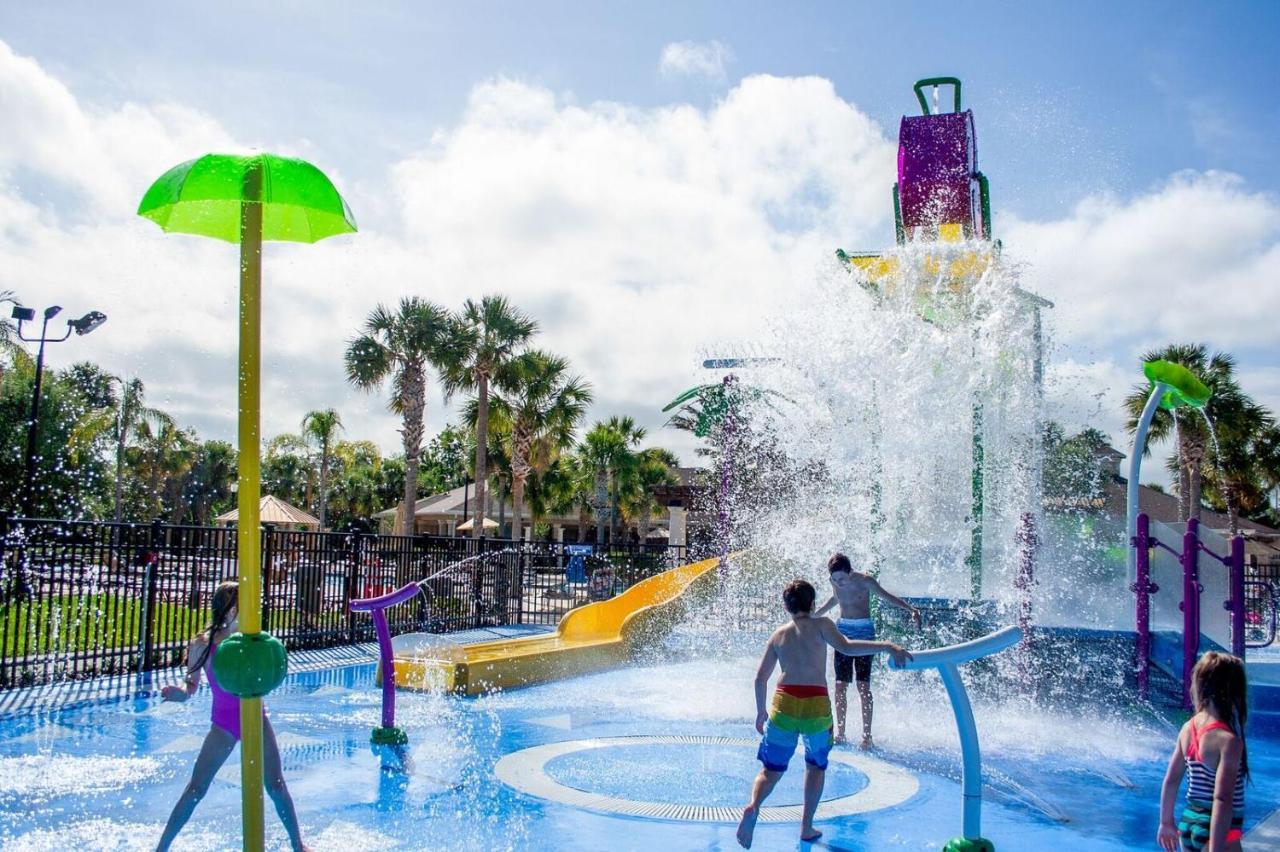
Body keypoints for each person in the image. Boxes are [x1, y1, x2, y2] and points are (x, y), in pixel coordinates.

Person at [737, 578, 911, 848]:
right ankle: (806, 827)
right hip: (815, 704)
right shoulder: (823, 626)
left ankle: (753, 806)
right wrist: (887, 645)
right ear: (814, 604)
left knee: (771, 769)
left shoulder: (778, 635)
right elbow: (849, 648)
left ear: (786, 606)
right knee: (815, 766)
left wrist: (761, 712)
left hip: (784, 704)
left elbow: (760, 679)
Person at [157, 581, 308, 852]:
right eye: (244, 603)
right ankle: (161, 847)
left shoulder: (252, 639)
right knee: (196, 788)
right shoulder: (201, 644)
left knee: (275, 784)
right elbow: (190, 687)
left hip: (256, 718)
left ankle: (298, 845)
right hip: (223, 724)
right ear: (229, 608)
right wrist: (176, 693)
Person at [815, 553, 921, 749]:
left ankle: (867, 736)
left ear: (850, 572)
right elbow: (834, 600)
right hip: (843, 634)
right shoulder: (836, 583)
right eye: (834, 580)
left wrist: (911, 609)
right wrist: (814, 615)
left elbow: (888, 597)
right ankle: (841, 733)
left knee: (863, 687)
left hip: (864, 633)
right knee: (840, 685)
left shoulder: (865, 582)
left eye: (842, 579)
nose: (839, 583)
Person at [1158, 651, 1249, 852]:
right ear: (1234, 691)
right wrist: (1216, 847)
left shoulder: (1188, 729)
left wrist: (1166, 823)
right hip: (1218, 830)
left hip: (1189, 822)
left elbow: (1171, 780)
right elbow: (1222, 798)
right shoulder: (1228, 741)